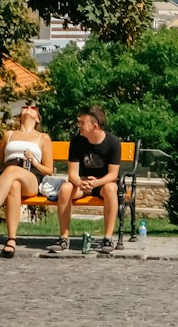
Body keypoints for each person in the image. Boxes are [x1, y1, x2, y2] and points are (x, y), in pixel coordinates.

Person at [0, 99, 54, 257]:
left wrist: (33, 160)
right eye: (25, 107)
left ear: (38, 118)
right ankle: (11, 240)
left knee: (12, 171)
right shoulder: (9, 135)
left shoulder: (43, 138)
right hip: (7, 177)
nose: (28, 109)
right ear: (20, 114)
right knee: (13, 185)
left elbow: (49, 170)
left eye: (33, 108)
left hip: (32, 176)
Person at [43, 106, 122, 257]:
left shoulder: (113, 142)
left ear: (94, 125)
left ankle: (107, 238)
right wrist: (80, 183)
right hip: (81, 183)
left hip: (102, 184)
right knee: (66, 188)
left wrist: (97, 183)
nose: (79, 125)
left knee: (111, 189)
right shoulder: (77, 141)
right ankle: (64, 238)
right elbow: (72, 173)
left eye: (82, 122)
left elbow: (113, 174)